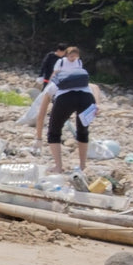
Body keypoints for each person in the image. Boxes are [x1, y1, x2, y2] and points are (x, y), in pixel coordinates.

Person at [41, 46, 98, 174]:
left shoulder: (53, 86)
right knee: (83, 131)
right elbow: (96, 88)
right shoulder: (85, 82)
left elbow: (41, 114)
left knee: (54, 131)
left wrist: (38, 138)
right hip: (87, 98)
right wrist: (97, 105)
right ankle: (83, 166)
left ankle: (58, 167)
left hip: (65, 99)